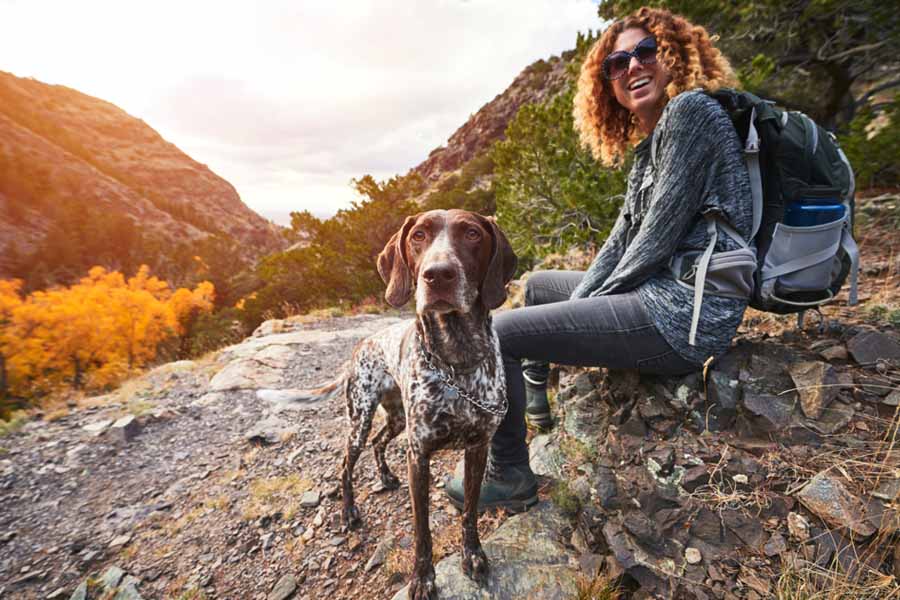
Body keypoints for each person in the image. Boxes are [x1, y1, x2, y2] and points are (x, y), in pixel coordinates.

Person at [446, 7, 753, 511]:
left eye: (645, 52)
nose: (632, 66)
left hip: (684, 318)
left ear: (673, 56)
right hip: (660, 294)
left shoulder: (691, 114)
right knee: (542, 285)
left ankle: (508, 476)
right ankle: (536, 405)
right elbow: (619, 241)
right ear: (606, 82)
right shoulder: (651, 142)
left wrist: (578, 312)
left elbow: (652, 243)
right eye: (617, 63)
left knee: (500, 332)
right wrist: (575, 302)